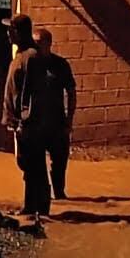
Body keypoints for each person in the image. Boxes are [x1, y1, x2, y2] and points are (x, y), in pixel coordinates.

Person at [2, 13, 52, 221]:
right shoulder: (21, 55)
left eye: (10, 30)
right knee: (27, 164)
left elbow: (32, 93)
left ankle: (38, 208)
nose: (7, 34)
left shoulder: (31, 56)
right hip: (22, 123)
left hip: (30, 124)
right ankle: (32, 206)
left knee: (34, 164)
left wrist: (24, 121)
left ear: (17, 32)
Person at [31, 26, 77, 200]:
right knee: (35, 163)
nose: (35, 46)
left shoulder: (60, 64)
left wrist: (69, 120)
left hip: (57, 122)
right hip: (35, 123)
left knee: (60, 161)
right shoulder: (29, 63)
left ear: (48, 44)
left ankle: (59, 193)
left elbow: (71, 92)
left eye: (38, 43)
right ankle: (41, 197)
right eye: (33, 43)